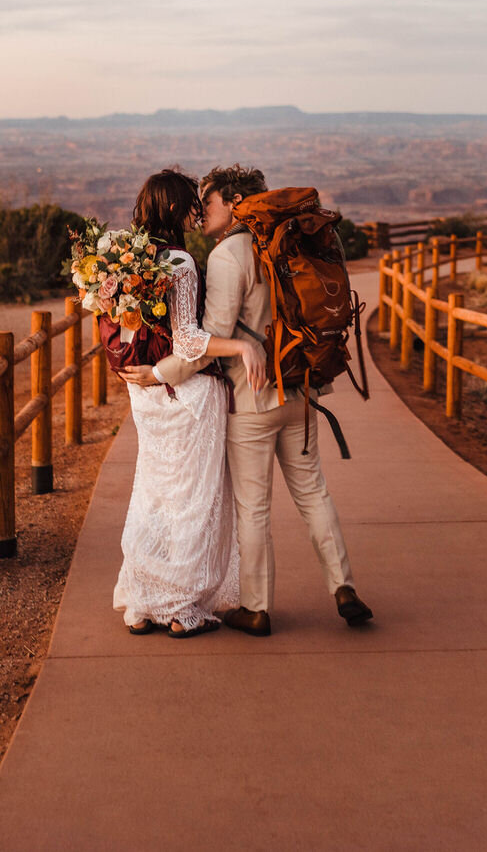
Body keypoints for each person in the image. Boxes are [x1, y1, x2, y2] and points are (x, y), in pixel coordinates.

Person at [125, 164, 372, 637]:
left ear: (235, 203)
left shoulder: (227, 256)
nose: (202, 212)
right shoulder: (290, 244)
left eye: (210, 201)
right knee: (314, 492)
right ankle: (343, 586)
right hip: (301, 390)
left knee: (254, 509)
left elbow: (207, 340)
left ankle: (256, 608)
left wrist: (159, 373)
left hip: (253, 398)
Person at [111, 169, 267, 638]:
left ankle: (141, 603)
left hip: (144, 394)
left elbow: (127, 333)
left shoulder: (126, 262)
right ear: (174, 209)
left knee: (153, 496)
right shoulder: (178, 261)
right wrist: (241, 347)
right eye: (190, 203)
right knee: (193, 500)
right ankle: (182, 608)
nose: (197, 211)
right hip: (186, 400)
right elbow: (189, 338)